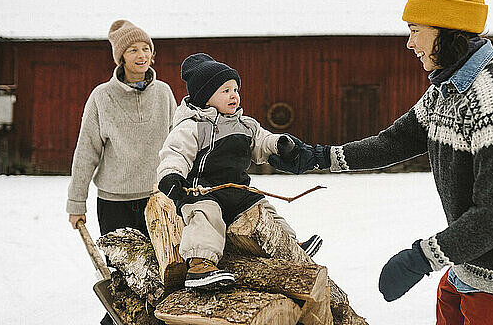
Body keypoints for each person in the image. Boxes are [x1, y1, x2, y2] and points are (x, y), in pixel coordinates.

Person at [269, 0, 493, 325]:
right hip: (470, 261)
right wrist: (316, 157)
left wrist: (422, 258)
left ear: (446, 30)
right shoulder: (446, 89)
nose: (409, 43)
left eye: (415, 30)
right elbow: (393, 143)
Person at [156, 53, 322, 290]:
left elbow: (262, 142)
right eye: (225, 90)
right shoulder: (193, 126)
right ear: (205, 97)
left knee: (262, 208)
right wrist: (171, 176)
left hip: (237, 189)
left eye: (235, 89)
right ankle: (200, 264)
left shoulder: (245, 125)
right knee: (205, 215)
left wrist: (278, 144)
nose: (234, 95)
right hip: (202, 189)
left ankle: (288, 245)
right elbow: (175, 153)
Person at [66, 20, 177, 325]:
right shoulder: (102, 97)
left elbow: (177, 143)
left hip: (157, 201)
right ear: (121, 57)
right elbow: (86, 151)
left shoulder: (164, 93)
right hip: (114, 203)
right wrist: (76, 204)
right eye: (133, 49)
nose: (141, 54)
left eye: (146, 48)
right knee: (124, 278)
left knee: (162, 273)